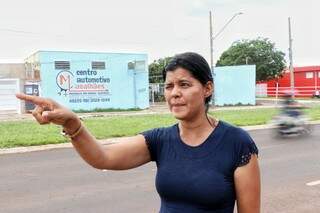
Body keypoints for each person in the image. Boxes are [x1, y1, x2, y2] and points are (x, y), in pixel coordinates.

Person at [16, 52, 260, 213]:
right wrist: (71, 123)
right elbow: (103, 157)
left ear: (207, 89)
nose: (174, 93)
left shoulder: (237, 143)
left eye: (184, 85)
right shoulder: (160, 140)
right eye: (169, 86)